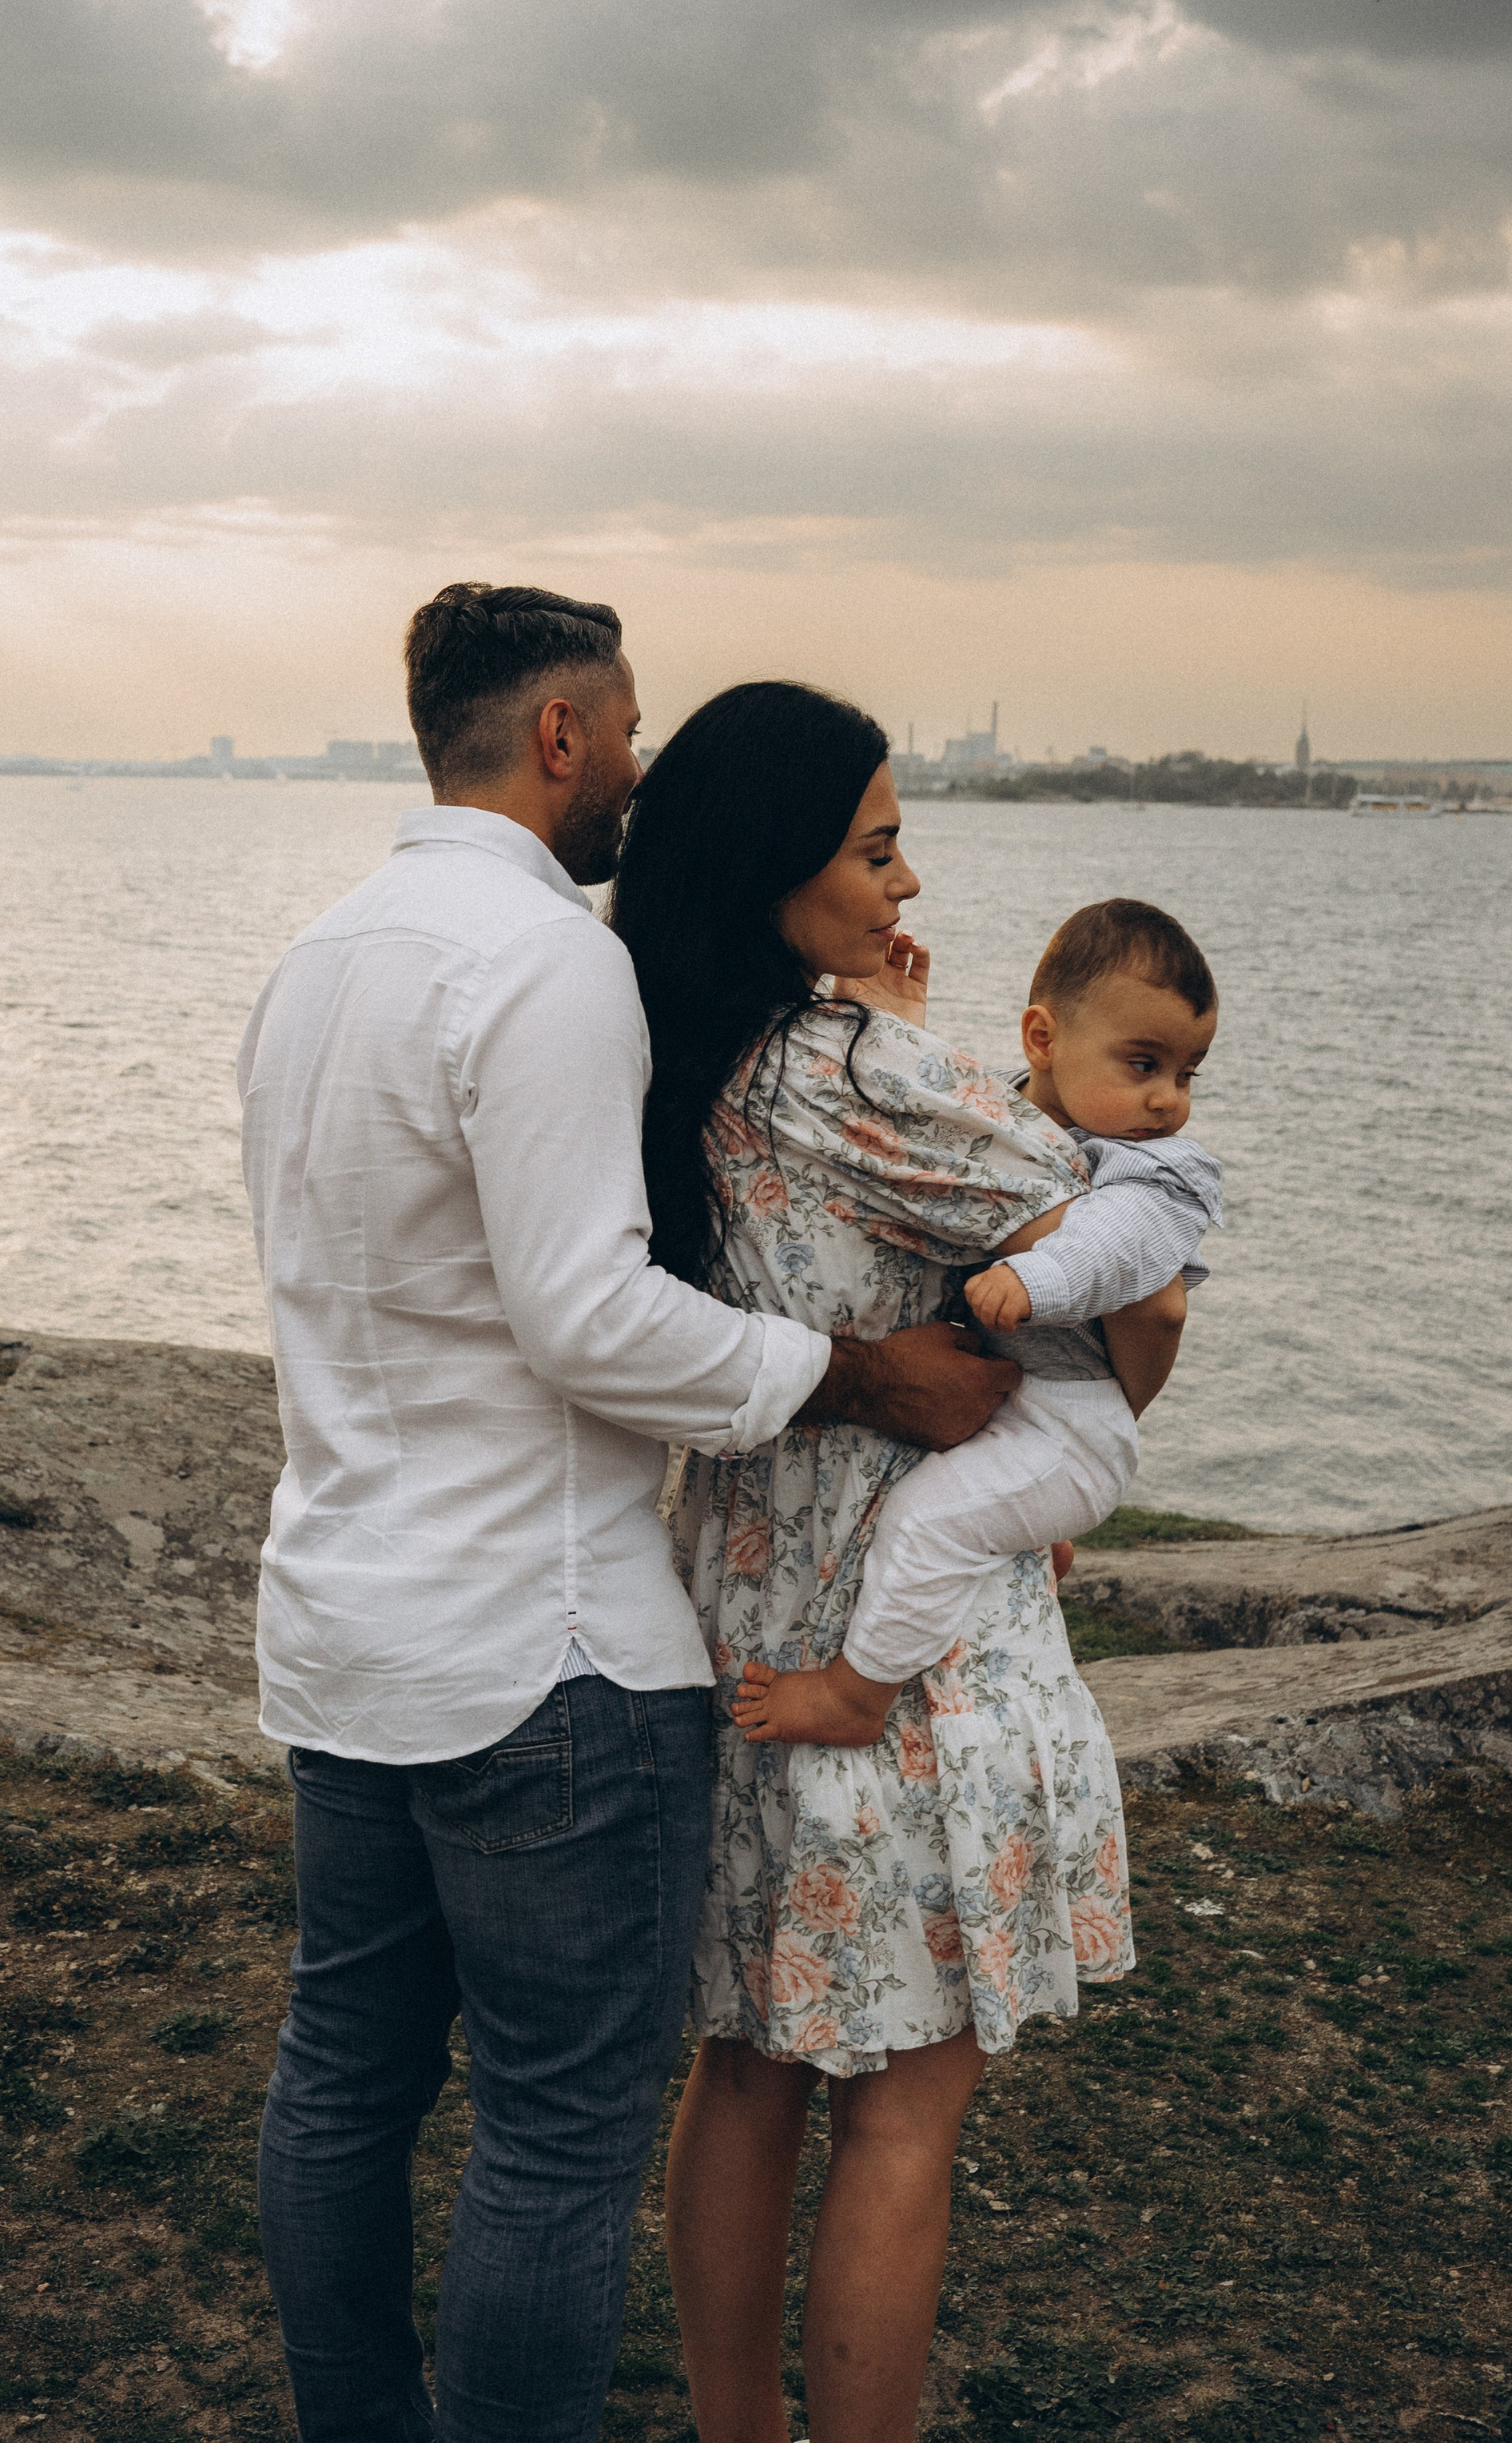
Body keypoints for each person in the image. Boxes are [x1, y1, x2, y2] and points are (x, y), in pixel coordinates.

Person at [237, 586, 1025, 2443]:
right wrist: (853, 1370)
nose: (645, 766)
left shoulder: (321, 957)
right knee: (556, 2128)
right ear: (561, 738)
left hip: (340, 1624)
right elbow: (585, 1316)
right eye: (631, 724)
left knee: (342, 2073)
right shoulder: (545, 962)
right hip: (541, 1654)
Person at [607, 681, 1184, 2443]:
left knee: (748, 2067)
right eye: (873, 850)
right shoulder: (851, 1073)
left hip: (733, 1614)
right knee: (903, 2113)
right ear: (778, 865)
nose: (905, 883)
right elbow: (1130, 1262)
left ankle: (736, 2432)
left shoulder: (669, 1054)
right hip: (892, 1655)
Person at [733, 895, 1222, 1749]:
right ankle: (1039, 1535)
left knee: (928, 1523)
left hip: (1068, 1424)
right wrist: (897, 1032)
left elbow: (1125, 1251)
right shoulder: (1004, 1107)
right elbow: (935, 1138)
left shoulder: (1157, 1169)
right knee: (966, 1503)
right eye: (1142, 1064)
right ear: (1042, 1040)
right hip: (1026, 1412)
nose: (1166, 1101)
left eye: (1185, 1074)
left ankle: (856, 1695)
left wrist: (1039, 1278)